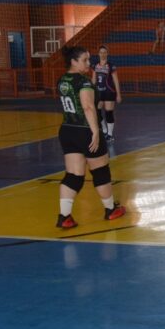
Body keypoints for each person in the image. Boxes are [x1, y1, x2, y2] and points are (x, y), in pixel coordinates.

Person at [55, 46, 126, 229]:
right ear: (73, 61)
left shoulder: (62, 80)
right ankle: (110, 210)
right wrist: (95, 131)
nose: (88, 63)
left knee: (74, 176)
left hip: (67, 130)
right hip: (85, 131)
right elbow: (88, 107)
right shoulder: (84, 82)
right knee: (100, 171)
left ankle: (64, 216)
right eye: (85, 60)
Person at [93, 46, 121, 141]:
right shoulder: (95, 65)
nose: (103, 54)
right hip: (99, 91)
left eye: (105, 52)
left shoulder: (111, 66)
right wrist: (91, 92)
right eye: (101, 52)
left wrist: (118, 94)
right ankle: (104, 130)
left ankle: (110, 134)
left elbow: (116, 80)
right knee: (97, 111)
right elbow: (93, 80)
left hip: (109, 91)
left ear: (107, 54)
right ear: (98, 54)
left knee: (108, 113)